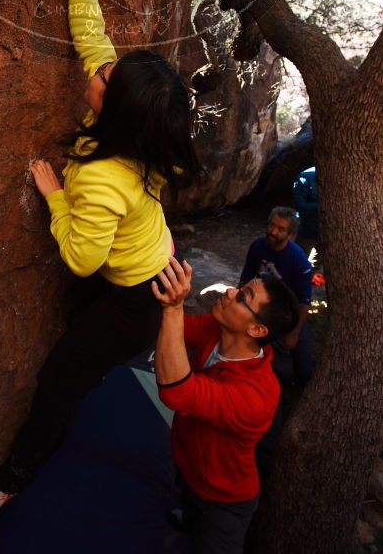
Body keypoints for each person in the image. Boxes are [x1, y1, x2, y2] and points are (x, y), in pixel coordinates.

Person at [0, 0, 198, 514]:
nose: (98, 69)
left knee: (61, 377)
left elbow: (80, 256)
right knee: (83, 321)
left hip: (137, 294)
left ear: (111, 110)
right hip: (144, 256)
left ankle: (19, 472)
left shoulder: (101, 177)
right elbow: (89, 27)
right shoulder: (129, 130)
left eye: (107, 78)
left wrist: (54, 195)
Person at [152, 258, 299, 554]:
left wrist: (173, 308)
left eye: (243, 297)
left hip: (223, 501)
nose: (231, 291)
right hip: (190, 467)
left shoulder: (256, 396)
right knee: (191, 505)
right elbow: (182, 331)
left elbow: (177, 392)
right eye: (241, 288)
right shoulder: (219, 328)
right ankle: (190, 518)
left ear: (257, 330)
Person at [239, 207, 314, 387]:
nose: (273, 231)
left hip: (288, 313)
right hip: (260, 307)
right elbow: (246, 278)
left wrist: (294, 332)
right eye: (272, 225)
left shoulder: (298, 260)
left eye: (280, 229)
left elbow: (304, 302)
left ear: (289, 234)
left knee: (303, 368)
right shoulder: (258, 246)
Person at [292, 166, 320, 266]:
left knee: (316, 266)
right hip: (308, 230)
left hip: (330, 233)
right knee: (296, 262)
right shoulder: (305, 177)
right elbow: (300, 205)